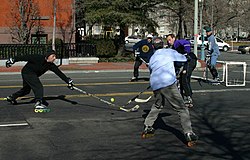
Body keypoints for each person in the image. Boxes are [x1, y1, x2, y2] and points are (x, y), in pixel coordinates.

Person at [141, 39, 198, 146]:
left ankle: (148, 126)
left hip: (155, 83)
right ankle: (189, 133)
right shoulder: (169, 52)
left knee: (158, 105)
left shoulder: (153, 57)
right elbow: (183, 58)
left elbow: (152, 70)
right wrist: (188, 57)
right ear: (163, 45)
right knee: (182, 108)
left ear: (153, 47)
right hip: (167, 83)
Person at [5, 49, 74, 112]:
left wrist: (68, 81)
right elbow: (25, 57)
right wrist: (12, 60)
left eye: (55, 57)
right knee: (38, 87)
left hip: (31, 74)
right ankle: (38, 103)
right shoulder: (38, 57)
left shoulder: (50, 65)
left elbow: (59, 73)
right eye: (53, 56)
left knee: (26, 90)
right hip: (27, 72)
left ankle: (12, 97)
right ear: (48, 56)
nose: (55, 58)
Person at [166, 34, 197, 107]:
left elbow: (186, 43)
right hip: (186, 61)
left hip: (190, 60)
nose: (169, 42)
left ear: (174, 38)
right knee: (182, 79)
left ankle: (188, 97)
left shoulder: (177, 43)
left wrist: (187, 52)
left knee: (184, 79)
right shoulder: (173, 48)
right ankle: (184, 97)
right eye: (168, 40)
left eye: (170, 40)